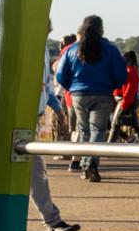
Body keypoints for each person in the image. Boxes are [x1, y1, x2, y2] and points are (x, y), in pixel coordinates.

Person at [0, 41, 79, 231]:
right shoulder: (12, 44)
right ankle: (52, 221)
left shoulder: (43, 49)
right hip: (15, 118)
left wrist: (57, 108)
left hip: (31, 118)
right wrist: (25, 86)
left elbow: (45, 87)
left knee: (4, 172)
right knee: (36, 172)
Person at [54, 14, 127, 182]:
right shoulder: (110, 50)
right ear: (101, 29)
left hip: (78, 94)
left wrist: (71, 87)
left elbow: (60, 75)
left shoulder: (72, 49)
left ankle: (85, 163)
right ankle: (91, 164)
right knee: (97, 130)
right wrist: (111, 86)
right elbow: (121, 74)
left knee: (83, 129)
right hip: (102, 94)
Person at [110, 50, 139, 143]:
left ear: (129, 59)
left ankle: (109, 145)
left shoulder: (130, 71)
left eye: (123, 58)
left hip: (125, 100)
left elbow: (129, 90)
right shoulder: (129, 70)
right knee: (134, 124)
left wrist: (124, 104)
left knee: (115, 124)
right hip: (126, 100)